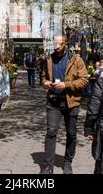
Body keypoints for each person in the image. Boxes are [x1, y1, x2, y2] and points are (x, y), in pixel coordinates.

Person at [40, 35, 88, 174]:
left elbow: (84, 80)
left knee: (71, 133)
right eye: (54, 44)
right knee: (51, 132)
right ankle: (48, 166)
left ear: (65, 44)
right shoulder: (48, 59)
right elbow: (44, 76)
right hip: (53, 101)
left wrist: (66, 85)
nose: (56, 47)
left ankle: (68, 162)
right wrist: (45, 83)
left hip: (71, 101)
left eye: (59, 44)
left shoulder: (76, 60)